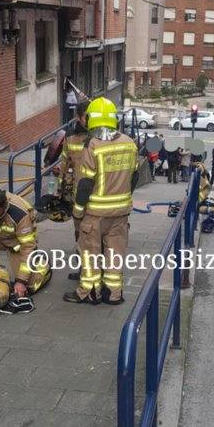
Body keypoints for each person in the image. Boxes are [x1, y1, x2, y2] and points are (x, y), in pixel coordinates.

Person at [63, 97, 139, 305]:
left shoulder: (92, 145)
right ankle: (113, 294)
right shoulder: (129, 143)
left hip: (95, 214)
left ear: (90, 119)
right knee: (115, 253)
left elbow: (86, 183)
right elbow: (134, 177)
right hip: (120, 213)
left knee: (90, 254)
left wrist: (78, 211)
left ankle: (88, 292)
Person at [58, 99, 90, 279]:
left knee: (96, 236)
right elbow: (65, 163)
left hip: (99, 196)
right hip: (79, 196)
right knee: (79, 233)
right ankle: (82, 270)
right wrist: (62, 191)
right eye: (87, 117)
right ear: (78, 118)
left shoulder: (103, 135)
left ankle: (95, 272)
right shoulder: (70, 136)